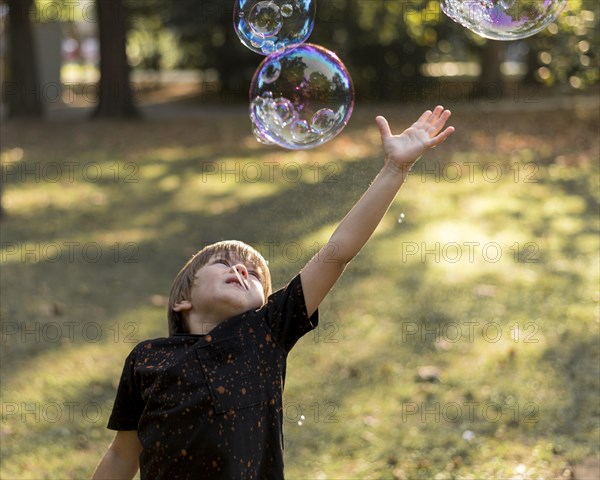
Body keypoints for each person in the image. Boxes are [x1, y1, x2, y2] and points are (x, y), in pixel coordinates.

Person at [91, 106, 455, 479]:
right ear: (182, 299)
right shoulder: (148, 359)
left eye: (252, 273)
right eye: (223, 263)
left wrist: (395, 169)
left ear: (263, 305)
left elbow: (337, 253)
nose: (240, 269)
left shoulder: (264, 333)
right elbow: (122, 455)